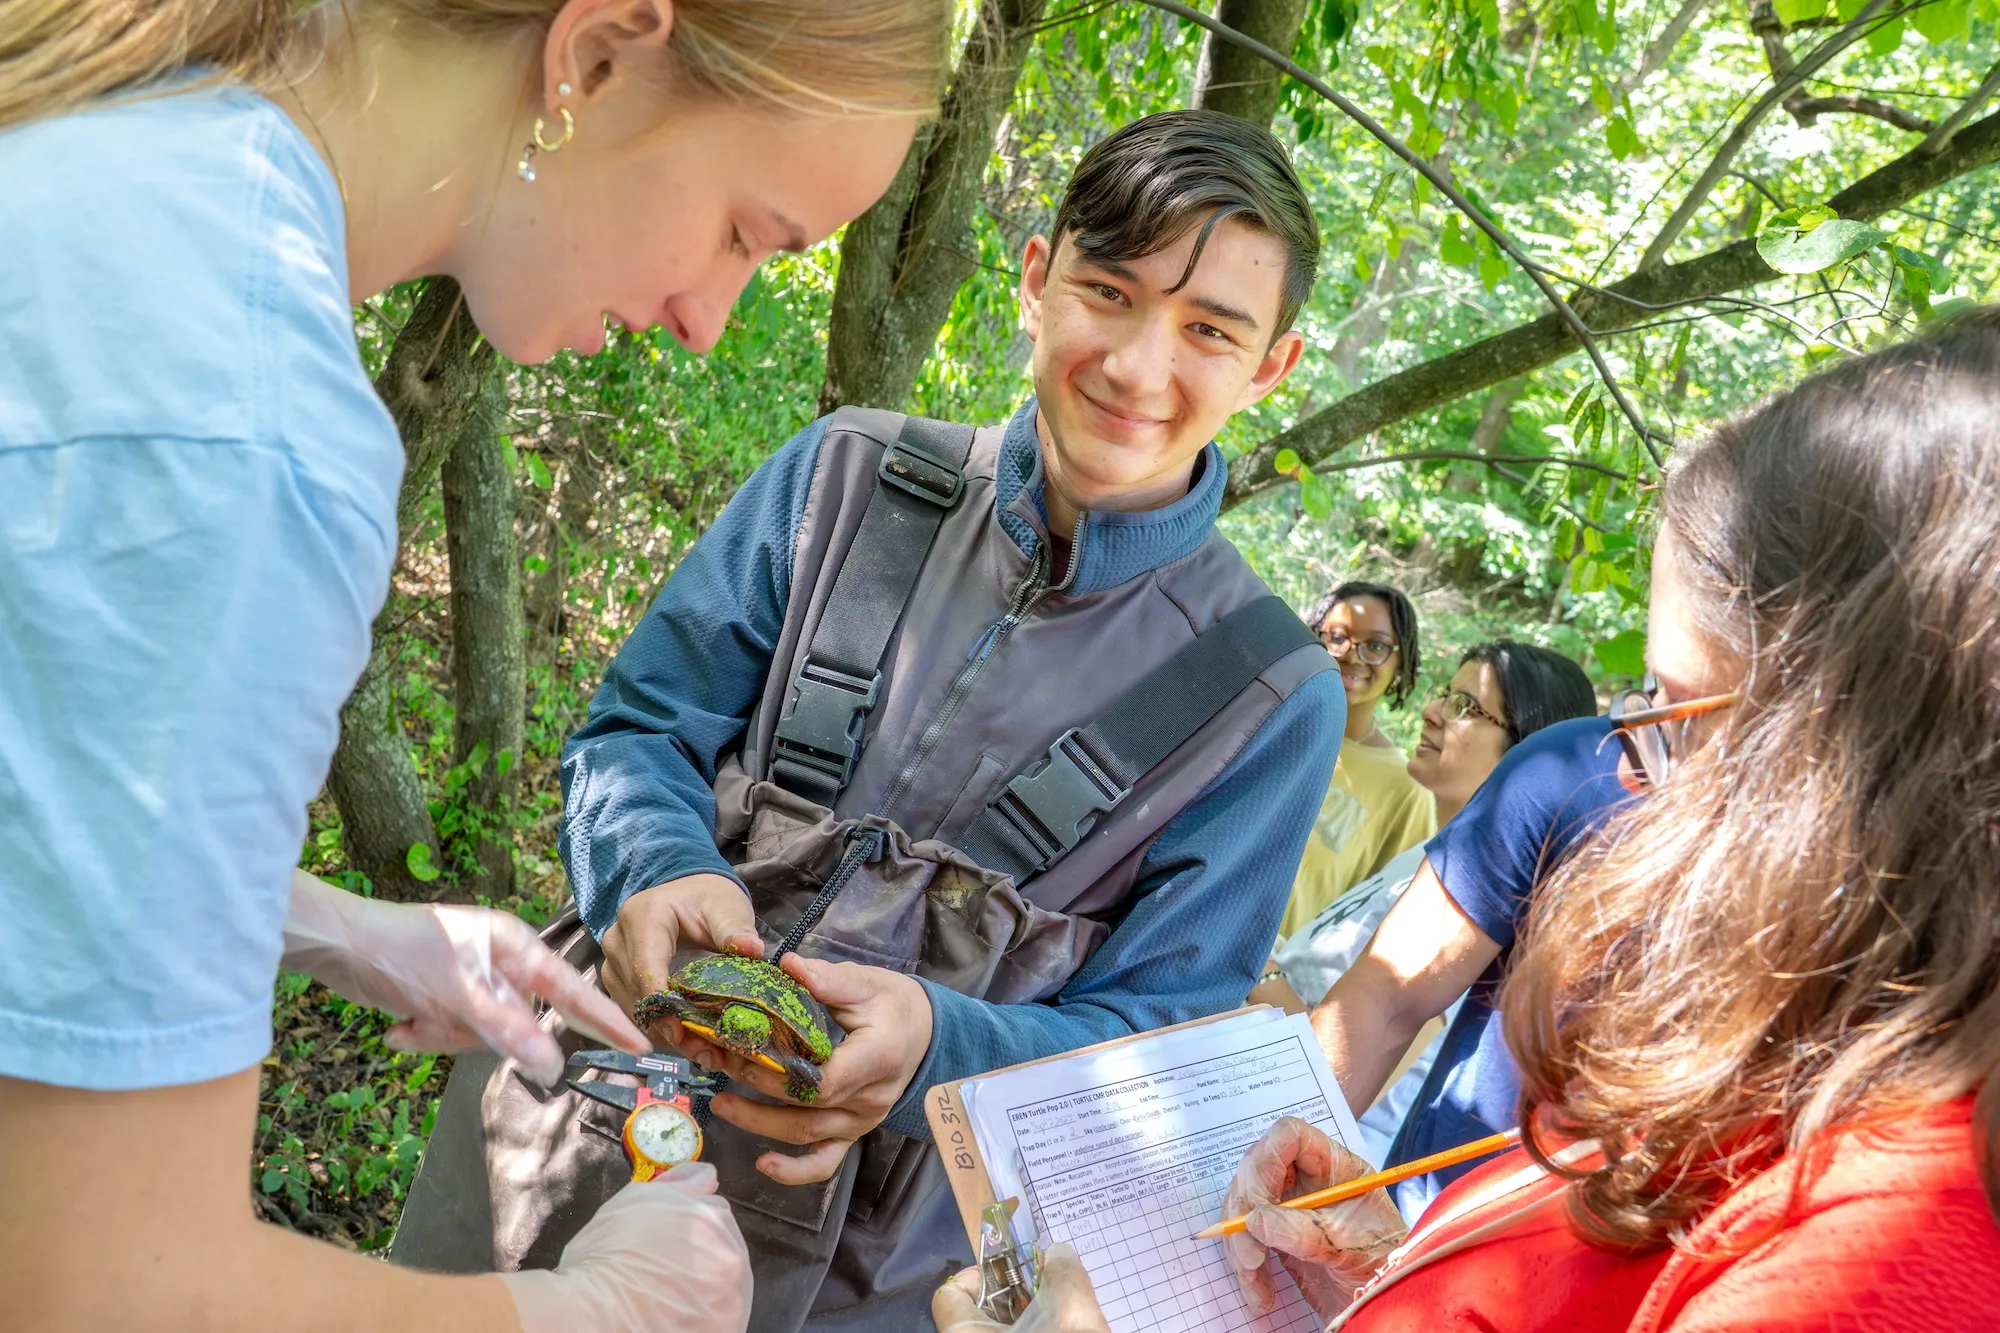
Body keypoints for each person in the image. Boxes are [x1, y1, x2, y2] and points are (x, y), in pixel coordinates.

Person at [0, 0, 950, 1328]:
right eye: (747, 233)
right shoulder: (250, 430)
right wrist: (600, 1311)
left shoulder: (121, 154)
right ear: (601, 53)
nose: (708, 322)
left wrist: (321, 924)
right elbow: (107, 1290)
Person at [393, 110, 1346, 1331]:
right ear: (1036, 279)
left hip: (866, 1273)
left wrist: (935, 1047)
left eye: (1208, 329)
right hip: (565, 1124)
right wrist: (654, 867)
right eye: (1108, 292)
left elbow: (1157, 1039)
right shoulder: (845, 475)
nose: (1135, 366)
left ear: (1270, 366)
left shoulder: (1265, 694)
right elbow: (636, 731)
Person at [940, 309, 2000, 1333]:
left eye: (1669, 712)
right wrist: (1394, 1279)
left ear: (1866, 775)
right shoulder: (1783, 1072)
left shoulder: (1883, 1260)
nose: (1622, 768)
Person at [1253, 641, 1595, 1166]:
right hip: (1261, 1105)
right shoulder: (1431, 857)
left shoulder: (1482, 910)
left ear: (1527, 751)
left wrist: (1258, 969)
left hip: (1294, 1151)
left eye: (1465, 707)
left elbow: (1367, 1050)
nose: (1433, 712)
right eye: (1443, 694)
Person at [1276, 581, 1434, 940]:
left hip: (1265, 984)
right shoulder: (1264, 723)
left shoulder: (1407, 791)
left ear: (1401, 661)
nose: (1352, 655)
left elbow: (1382, 921)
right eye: (1337, 637)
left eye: (1376, 646)